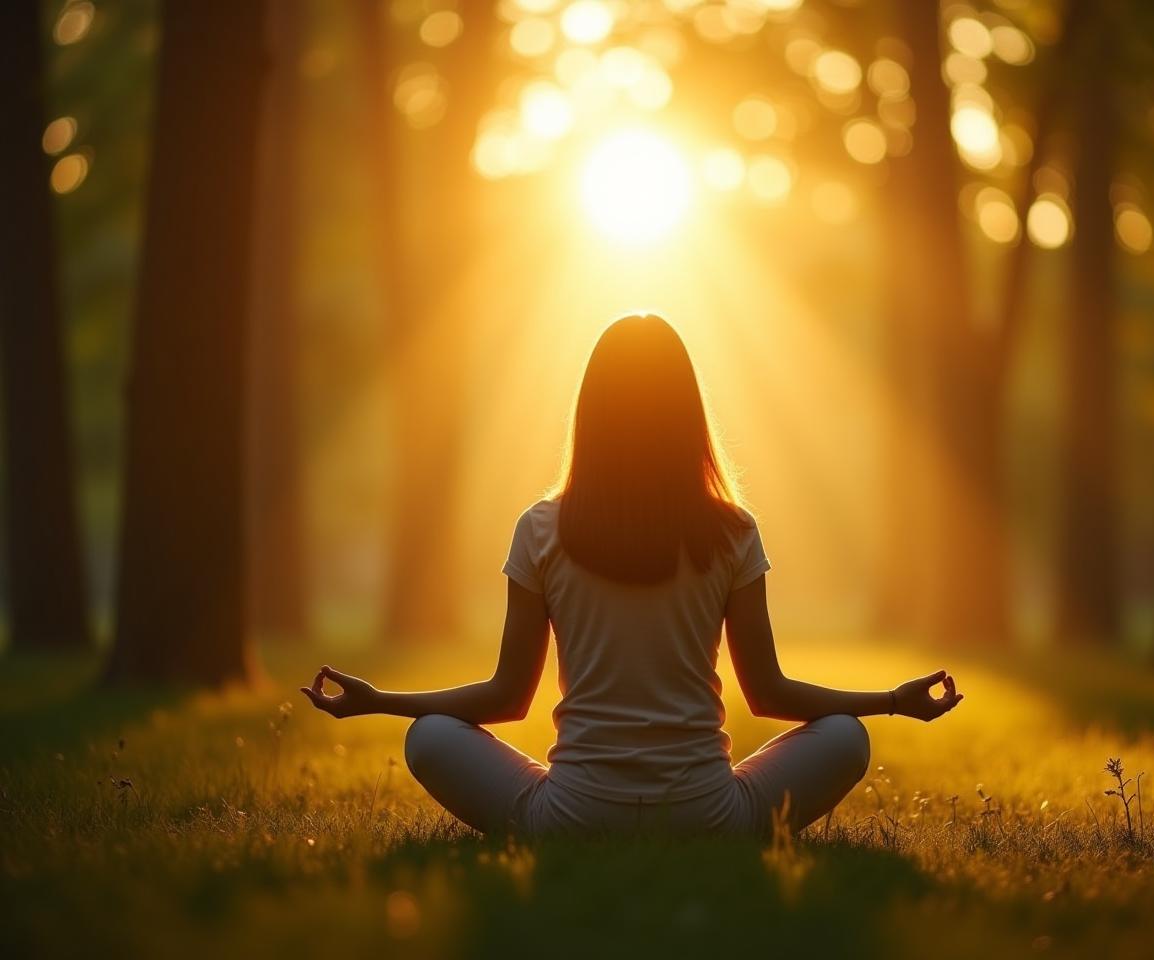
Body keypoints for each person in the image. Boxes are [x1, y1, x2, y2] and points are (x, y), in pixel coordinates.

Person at [301, 314, 963, 837]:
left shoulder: (540, 529)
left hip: (571, 817)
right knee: (847, 736)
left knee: (429, 737)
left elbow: (507, 697)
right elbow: (767, 692)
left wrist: (379, 701)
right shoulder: (731, 530)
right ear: (687, 412)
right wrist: (892, 702)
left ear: (591, 410)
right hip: (710, 817)